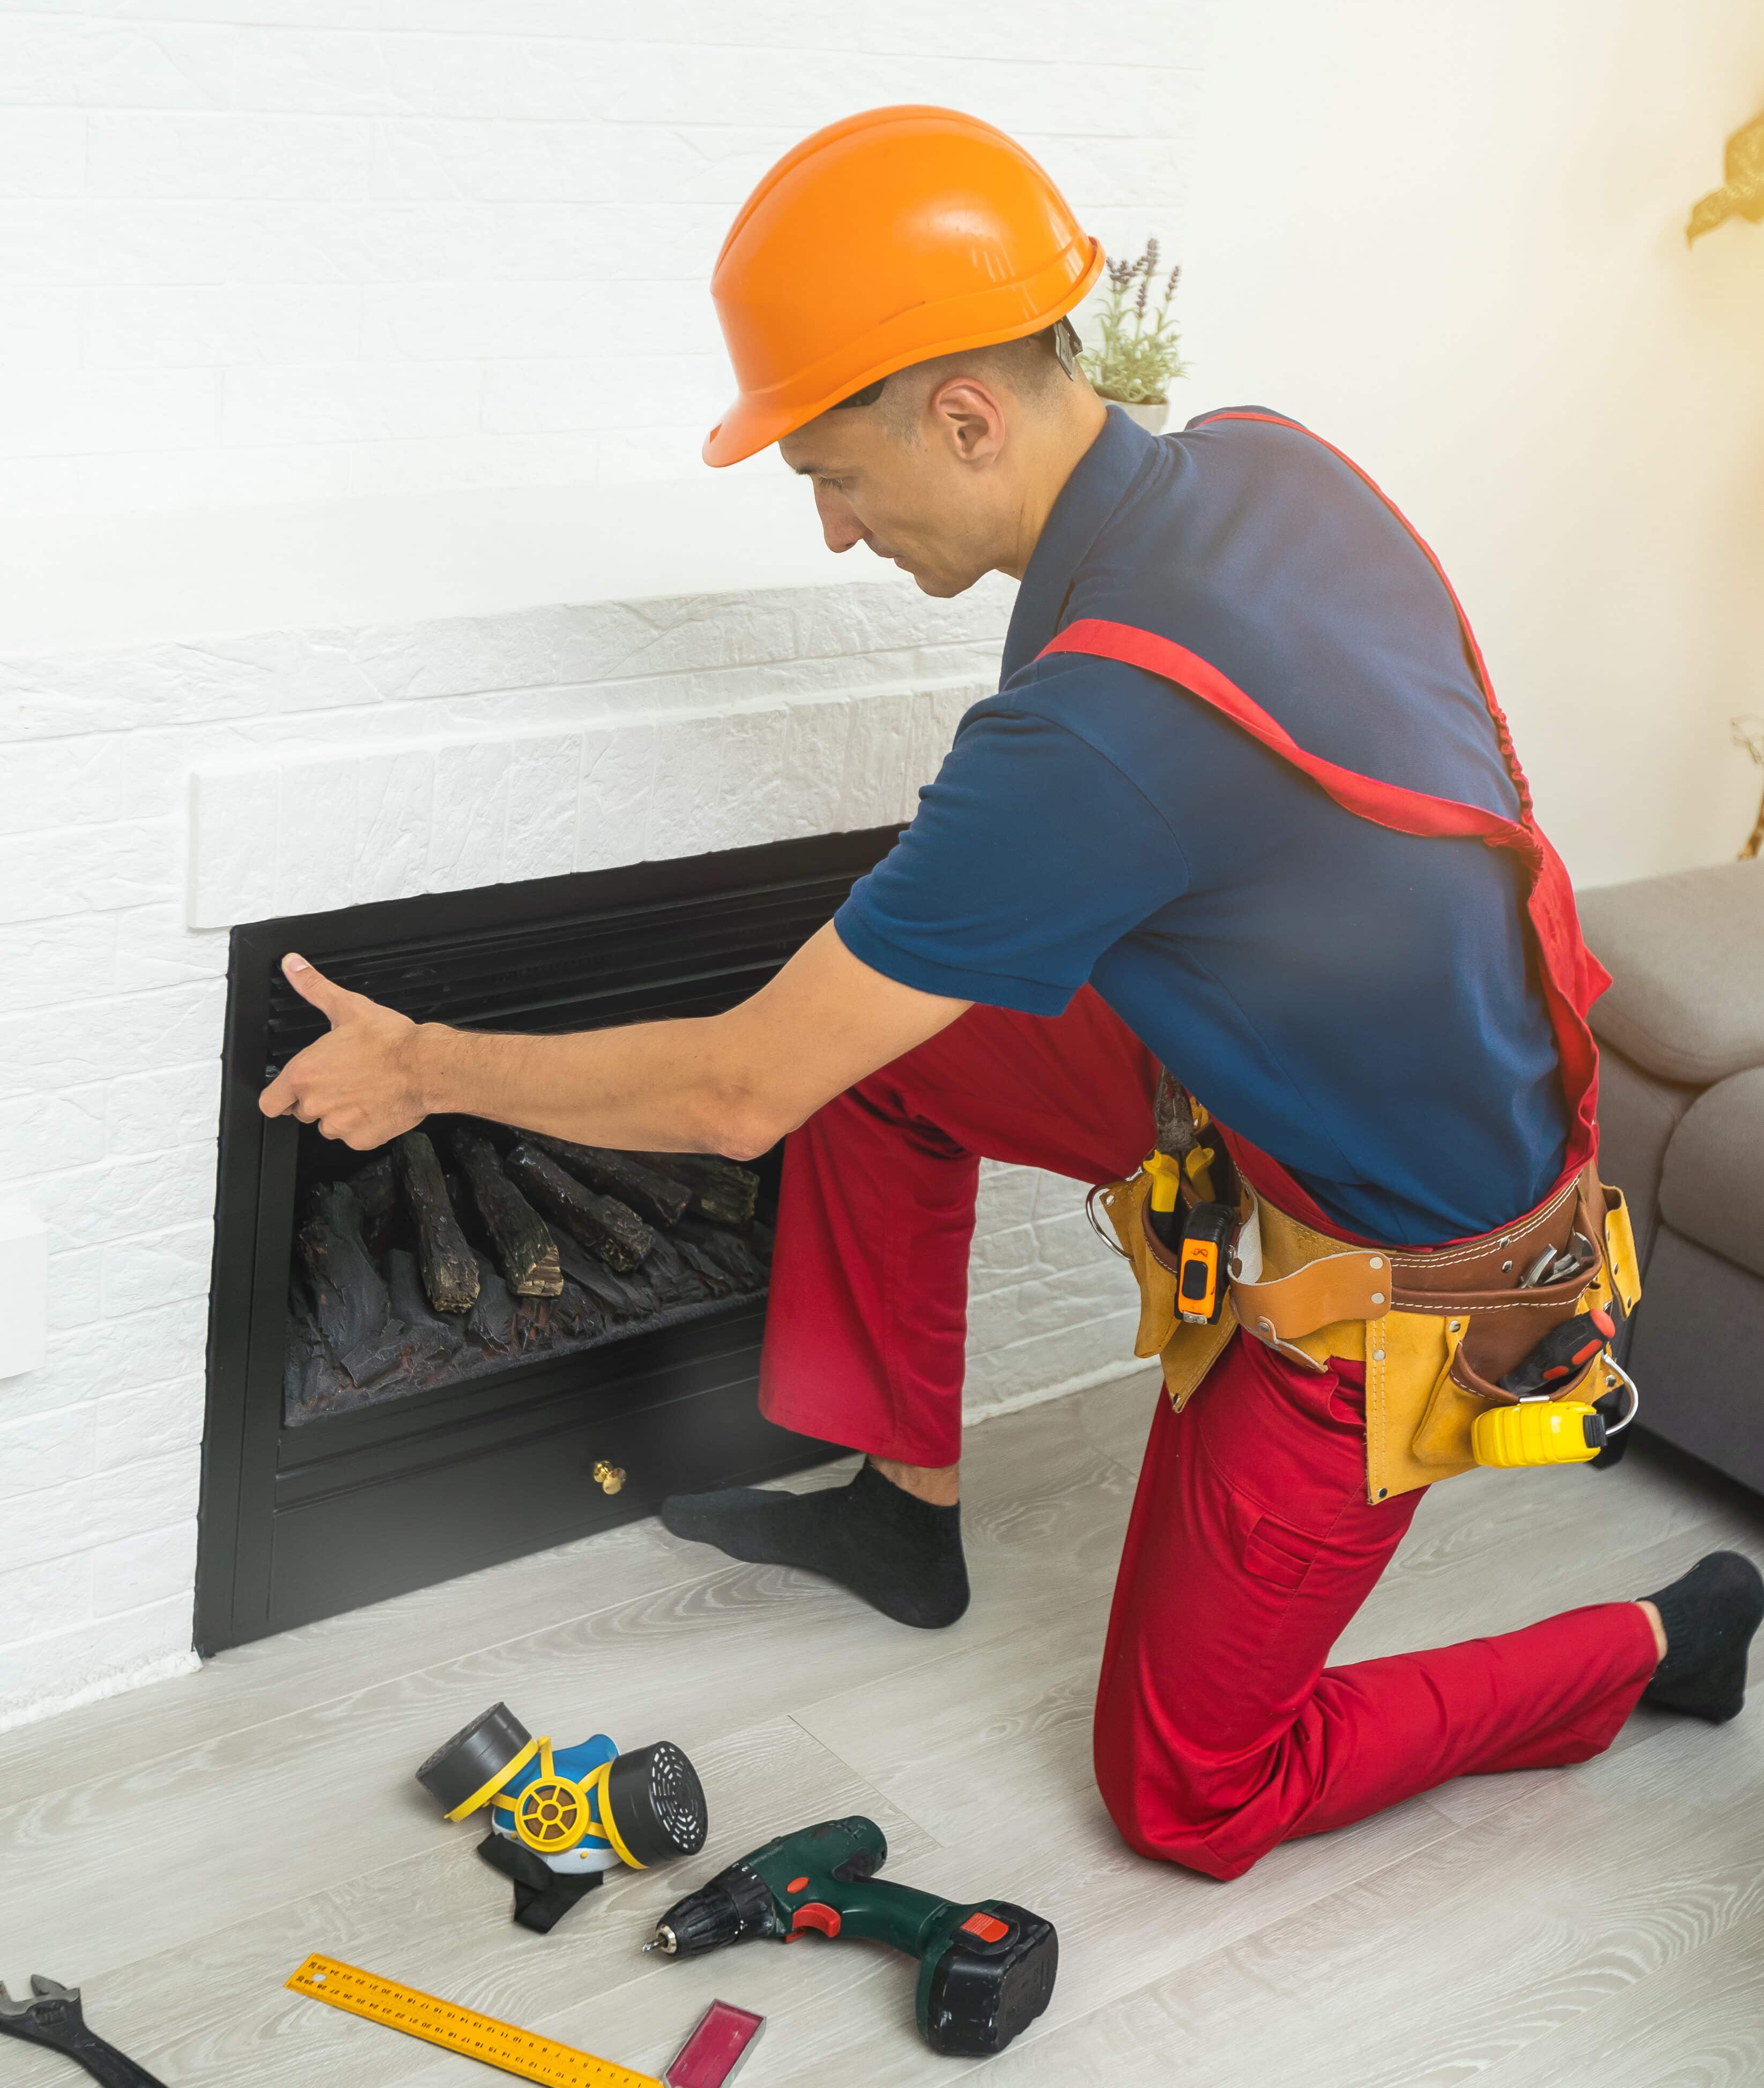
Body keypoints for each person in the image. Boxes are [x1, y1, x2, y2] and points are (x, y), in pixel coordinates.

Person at [260, 107, 1762, 1880]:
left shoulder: (1095, 734)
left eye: (834, 474)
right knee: (882, 1061)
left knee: (1189, 1798)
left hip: (1411, 1269)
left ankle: (1658, 1642)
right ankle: (909, 1516)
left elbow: (738, 1091)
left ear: (965, 416)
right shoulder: (1261, 464)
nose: (831, 529)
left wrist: (428, 1064)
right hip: (1261, 1073)